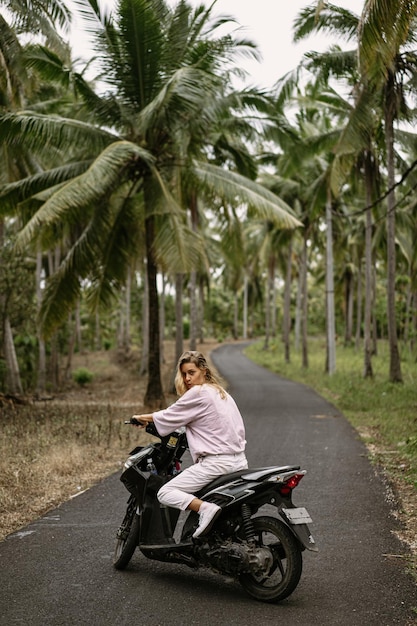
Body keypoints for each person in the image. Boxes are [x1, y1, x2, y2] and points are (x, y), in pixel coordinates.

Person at [132, 350, 248, 539]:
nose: (187, 378)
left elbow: (170, 414)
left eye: (191, 372)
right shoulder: (221, 392)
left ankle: (206, 509)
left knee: (166, 492)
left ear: (203, 370)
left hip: (216, 464)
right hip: (239, 461)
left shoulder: (199, 392)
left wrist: (141, 418)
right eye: (184, 374)